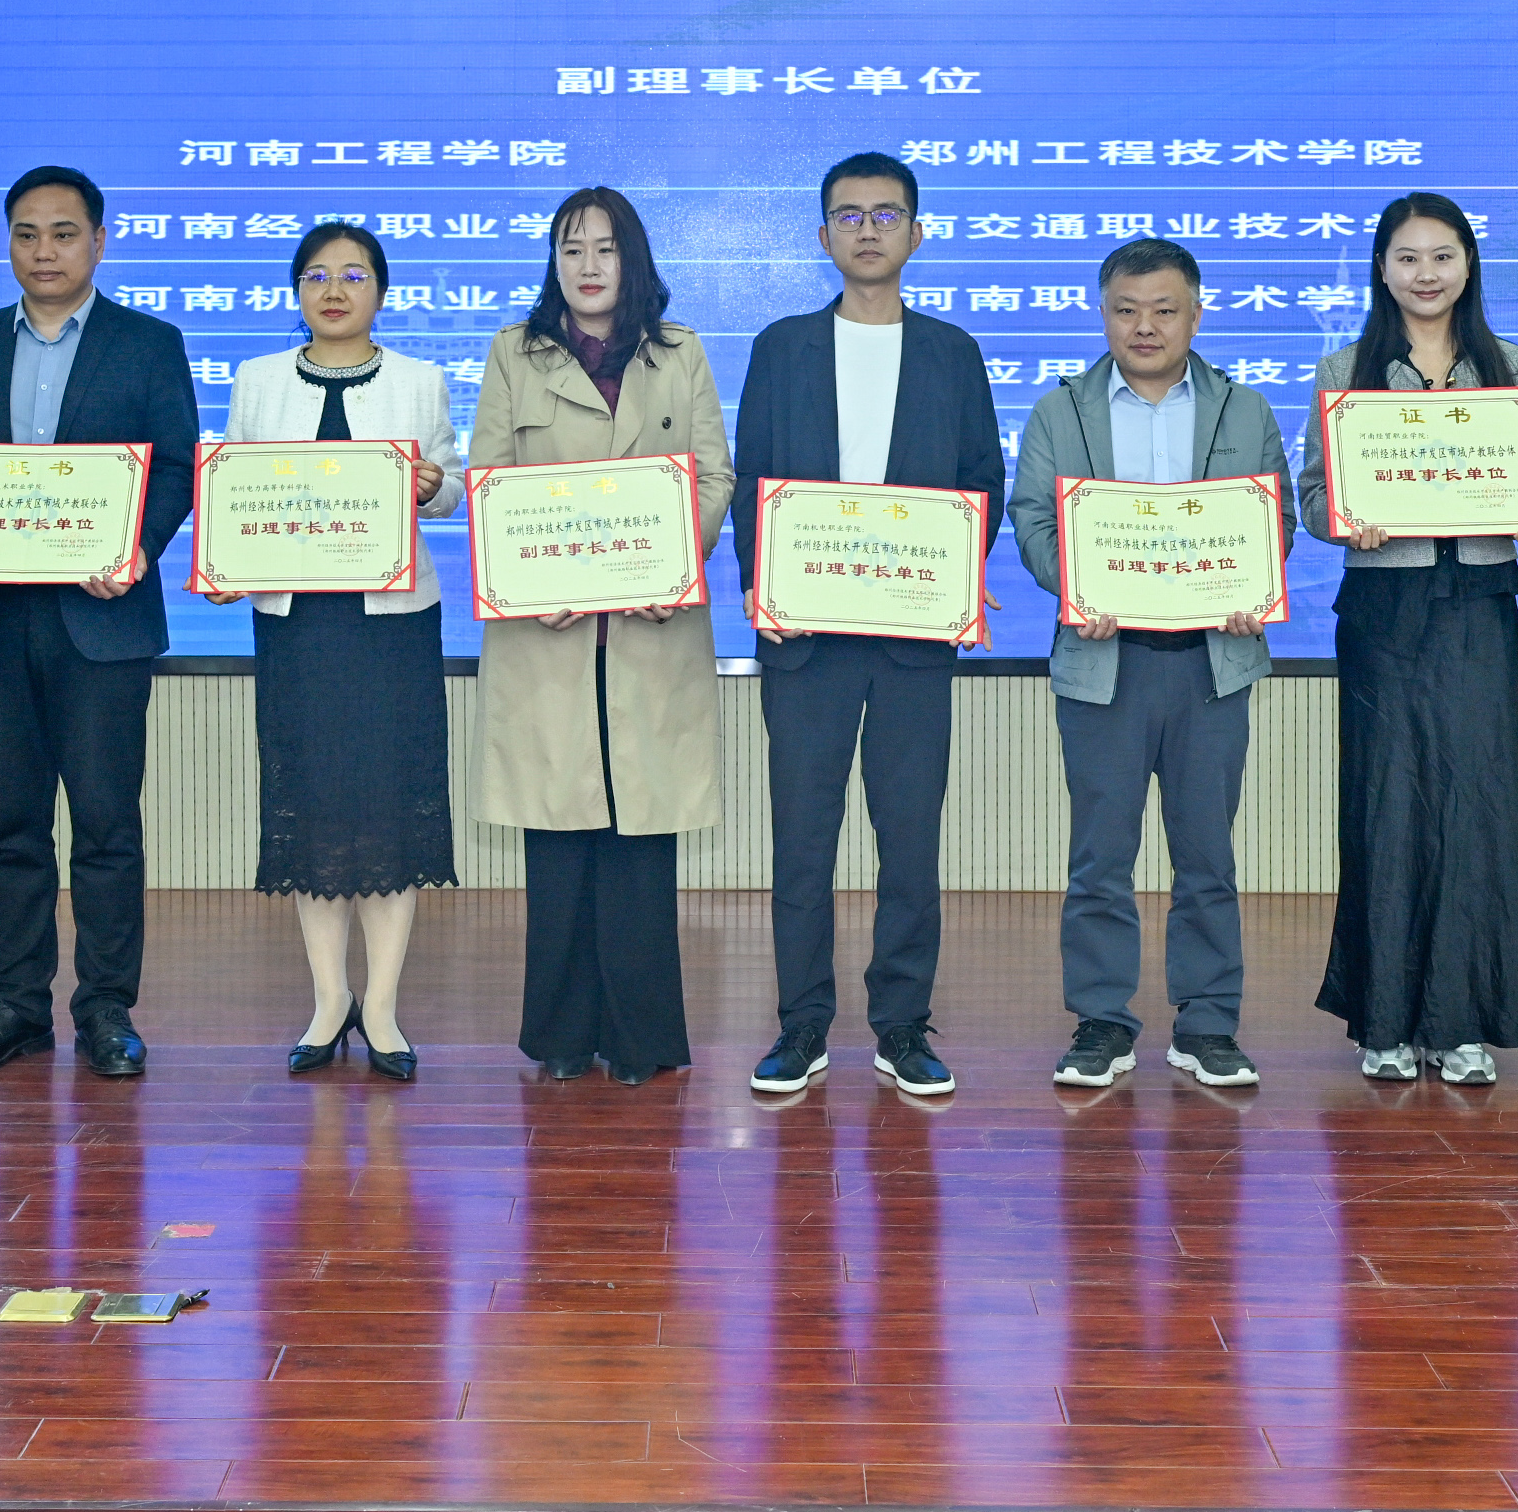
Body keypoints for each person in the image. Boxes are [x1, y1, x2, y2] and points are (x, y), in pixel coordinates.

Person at [731, 151, 1003, 1100]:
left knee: (909, 844)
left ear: (916, 234)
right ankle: (801, 1024)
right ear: (823, 236)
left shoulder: (952, 352)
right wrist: (761, 588)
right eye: (848, 215)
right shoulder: (782, 346)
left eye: (886, 214)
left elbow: (980, 482)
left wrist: (952, 577)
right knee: (802, 843)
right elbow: (753, 481)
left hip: (911, 641)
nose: (867, 229)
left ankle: (902, 1025)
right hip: (804, 641)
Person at [0, 166, 200, 1079]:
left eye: (64, 232)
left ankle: (107, 1007)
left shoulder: (148, 343)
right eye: (26, 233)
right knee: (11, 825)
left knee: (106, 826)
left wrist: (138, 547)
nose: (44, 250)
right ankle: (14, 1005)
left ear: (99, 242)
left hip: (102, 619)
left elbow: (174, 466)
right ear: (7, 243)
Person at [1007, 236, 1293, 1092]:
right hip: (1104, 663)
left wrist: (1252, 583)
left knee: (1206, 856)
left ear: (1196, 315)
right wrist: (1075, 586)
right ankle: (1101, 1019)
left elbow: (1273, 518)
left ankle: (1207, 1022)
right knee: (1099, 858)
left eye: (1164, 309)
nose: (1145, 326)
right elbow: (1032, 518)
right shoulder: (1060, 410)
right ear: (1101, 314)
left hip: (1211, 663)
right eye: (1126, 309)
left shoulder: (1244, 408)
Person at [469, 186, 734, 1087]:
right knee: (558, 839)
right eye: (571, 248)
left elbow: (713, 476)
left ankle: (640, 1036)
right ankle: (560, 1034)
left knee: (638, 840)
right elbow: (490, 478)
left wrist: (676, 564)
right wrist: (527, 577)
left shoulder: (679, 352)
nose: (587, 266)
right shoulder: (514, 351)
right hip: (548, 635)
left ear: (633, 259)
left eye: (605, 248)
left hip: (650, 632)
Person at [1290, 195, 1518, 1086]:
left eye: (1442, 255)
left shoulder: (1511, 366)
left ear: (1468, 264)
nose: (1426, 273)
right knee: (1387, 802)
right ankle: (1385, 1020)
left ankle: (1462, 1019)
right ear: (1381, 269)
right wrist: (1346, 519)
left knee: (1478, 801)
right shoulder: (1345, 368)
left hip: (1479, 600)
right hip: (1383, 608)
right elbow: (1311, 495)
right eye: (1407, 257)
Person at [203, 222, 465, 1084]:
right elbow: (234, 494)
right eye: (316, 275)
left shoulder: (421, 379)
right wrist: (223, 564)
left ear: (381, 291)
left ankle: (381, 1007)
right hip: (295, 624)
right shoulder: (257, 379)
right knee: (309, 809)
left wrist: (435, 485)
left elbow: (451, 485)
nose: (334, 290)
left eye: (353, 275)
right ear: (296, 290)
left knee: (389, 811)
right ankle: (327, 1000)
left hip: (392, 625)